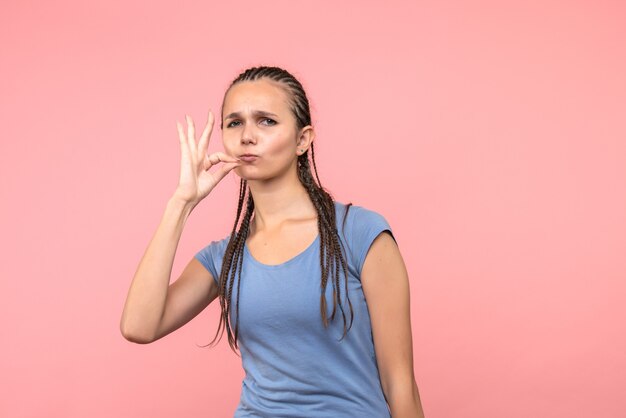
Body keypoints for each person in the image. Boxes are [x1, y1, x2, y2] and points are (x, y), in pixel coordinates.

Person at [120, 65, 425, 417]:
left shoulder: (360, 234)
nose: (247, 135)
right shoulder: (225, 257)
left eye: (266, 121)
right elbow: (139, 326)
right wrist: (181, 203)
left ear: (302, 139)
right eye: (234, 123)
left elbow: (399, 382)